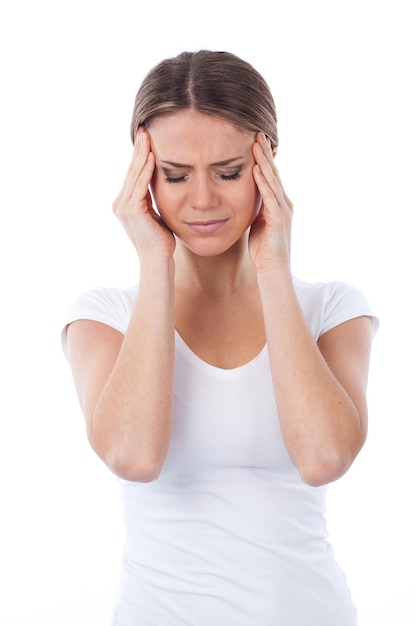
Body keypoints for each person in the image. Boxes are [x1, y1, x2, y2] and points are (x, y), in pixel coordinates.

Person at [62, 50, 378, 625]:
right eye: (175, 175)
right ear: (143, 171)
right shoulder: (104, 315)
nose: (203, 200)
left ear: (267, 161)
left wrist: (274, 267)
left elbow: (324, 456)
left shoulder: (332, 307)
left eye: (229, 172)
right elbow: (132, 456)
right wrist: (154, 262)